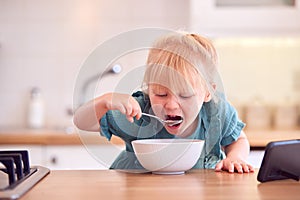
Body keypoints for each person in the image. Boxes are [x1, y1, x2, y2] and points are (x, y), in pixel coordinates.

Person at [73, 31, 254, 173]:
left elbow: (238, 140)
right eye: (160, 94)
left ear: (208, 93)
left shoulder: (217, 113)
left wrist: (235, 157)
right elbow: (81, 121)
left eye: (185, 95)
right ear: (149, 88)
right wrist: (104, 102)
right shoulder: (139, 113)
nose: (171, 105)